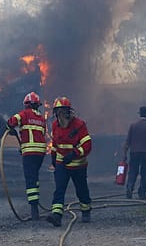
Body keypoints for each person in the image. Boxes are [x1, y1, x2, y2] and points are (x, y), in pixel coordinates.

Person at [46, 96, 92, 227]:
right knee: (59, 189)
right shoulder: (55, 125)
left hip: (78, 165)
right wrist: (54, 157)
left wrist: (74, 154)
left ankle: (86, 210)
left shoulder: (79, 125)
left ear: (68, 111)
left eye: (63, 111)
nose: (61, 114)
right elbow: (55, 143)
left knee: (81, 189)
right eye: (58, 111)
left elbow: (87, 145)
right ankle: (57, 216)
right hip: (62, 164)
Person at [6, 92, 47, 220]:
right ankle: (36, 204)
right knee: (35, 177)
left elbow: (11, 121)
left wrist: (10, 128)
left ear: (27, 105)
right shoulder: (41, 118)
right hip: (40, 153)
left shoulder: (24, 114)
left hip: (29, 153)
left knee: (30, 179)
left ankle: (34, 210)